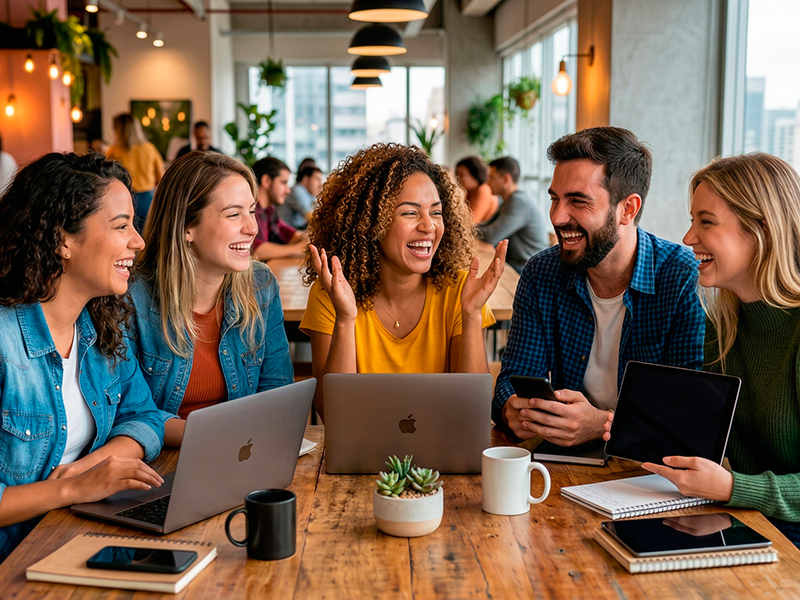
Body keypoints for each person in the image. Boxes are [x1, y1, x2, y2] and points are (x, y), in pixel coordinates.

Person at [607, 153, 800, 548]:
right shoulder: (722, 324)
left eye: (706, 222)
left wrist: (732, 486)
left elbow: (735, 479)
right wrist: (643, 431)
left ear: (761, 229)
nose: (688, 237)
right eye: (692, 220)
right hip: (751, 523)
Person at [493, 127, 704, 446]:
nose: (558, 216)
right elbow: (513, 379)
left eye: (578, 201)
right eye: (555, 199)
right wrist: (513, 408)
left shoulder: (680, 278)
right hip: (563, 462)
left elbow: (686, 415)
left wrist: (603, 425)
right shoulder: (542, 272)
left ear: (627, 209)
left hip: (647, 470)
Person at [0, 153, 165, 562]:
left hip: (76, 541)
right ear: (62, 240)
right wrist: (72, 488)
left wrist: (96, 465)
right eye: (121, 225)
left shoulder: (100, 325)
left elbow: (143, 416)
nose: (138, 241)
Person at [299, 143, 507, 420]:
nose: (429, 226)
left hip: (444, 456)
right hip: (361, 460)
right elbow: (334, 415)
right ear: (370, 223)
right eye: (410, 213)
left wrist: (471, 315)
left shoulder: (461, 290)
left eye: (436, 212)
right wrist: (346, 319)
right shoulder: (332, 295)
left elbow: (473, 412)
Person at [128, 151, 294, 447]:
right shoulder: (133, 298)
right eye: (234, 214)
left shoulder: (261, 285)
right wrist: (222, 435)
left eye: (252, 211)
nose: (252, 228)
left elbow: (277, 393)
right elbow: (130, 415)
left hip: (244, 453)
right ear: (186, 227)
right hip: (162, 465)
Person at [477, 156, 550, 272]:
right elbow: (486, 225)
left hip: (530, 268)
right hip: (516, 263)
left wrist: (466, 230)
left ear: (506, 179)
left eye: (491, 177)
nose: (487, 182)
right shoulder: (508, 200)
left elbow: (491, 235)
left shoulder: (519, 202)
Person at [106, 113, 164, 231]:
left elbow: (107, 179)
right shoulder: (149, 148)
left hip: (124, 200)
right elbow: (162, 177)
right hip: (147, 200)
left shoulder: (113, 151)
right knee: (148, 238)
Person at [251, 157, 308, 261]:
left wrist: (307, 238)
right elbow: (254, 249)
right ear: (266, 181)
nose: (288, 190)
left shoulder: (269, 209)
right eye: (283, 182)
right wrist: (297, 249)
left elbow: (285, 233)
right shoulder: (251, 209)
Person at [277, 164, 324, 229]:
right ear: (306, 179)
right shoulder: (297, 191)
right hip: (286, 231)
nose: (320, 184)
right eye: (317, 179)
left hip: (296, 227)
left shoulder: (308, 193)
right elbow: (311, 216)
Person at [456, 156, 498, 224]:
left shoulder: (484, 190)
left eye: (462, 175)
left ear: (475, 174)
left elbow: (471, 221)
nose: (458, 178)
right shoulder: (470, 191)